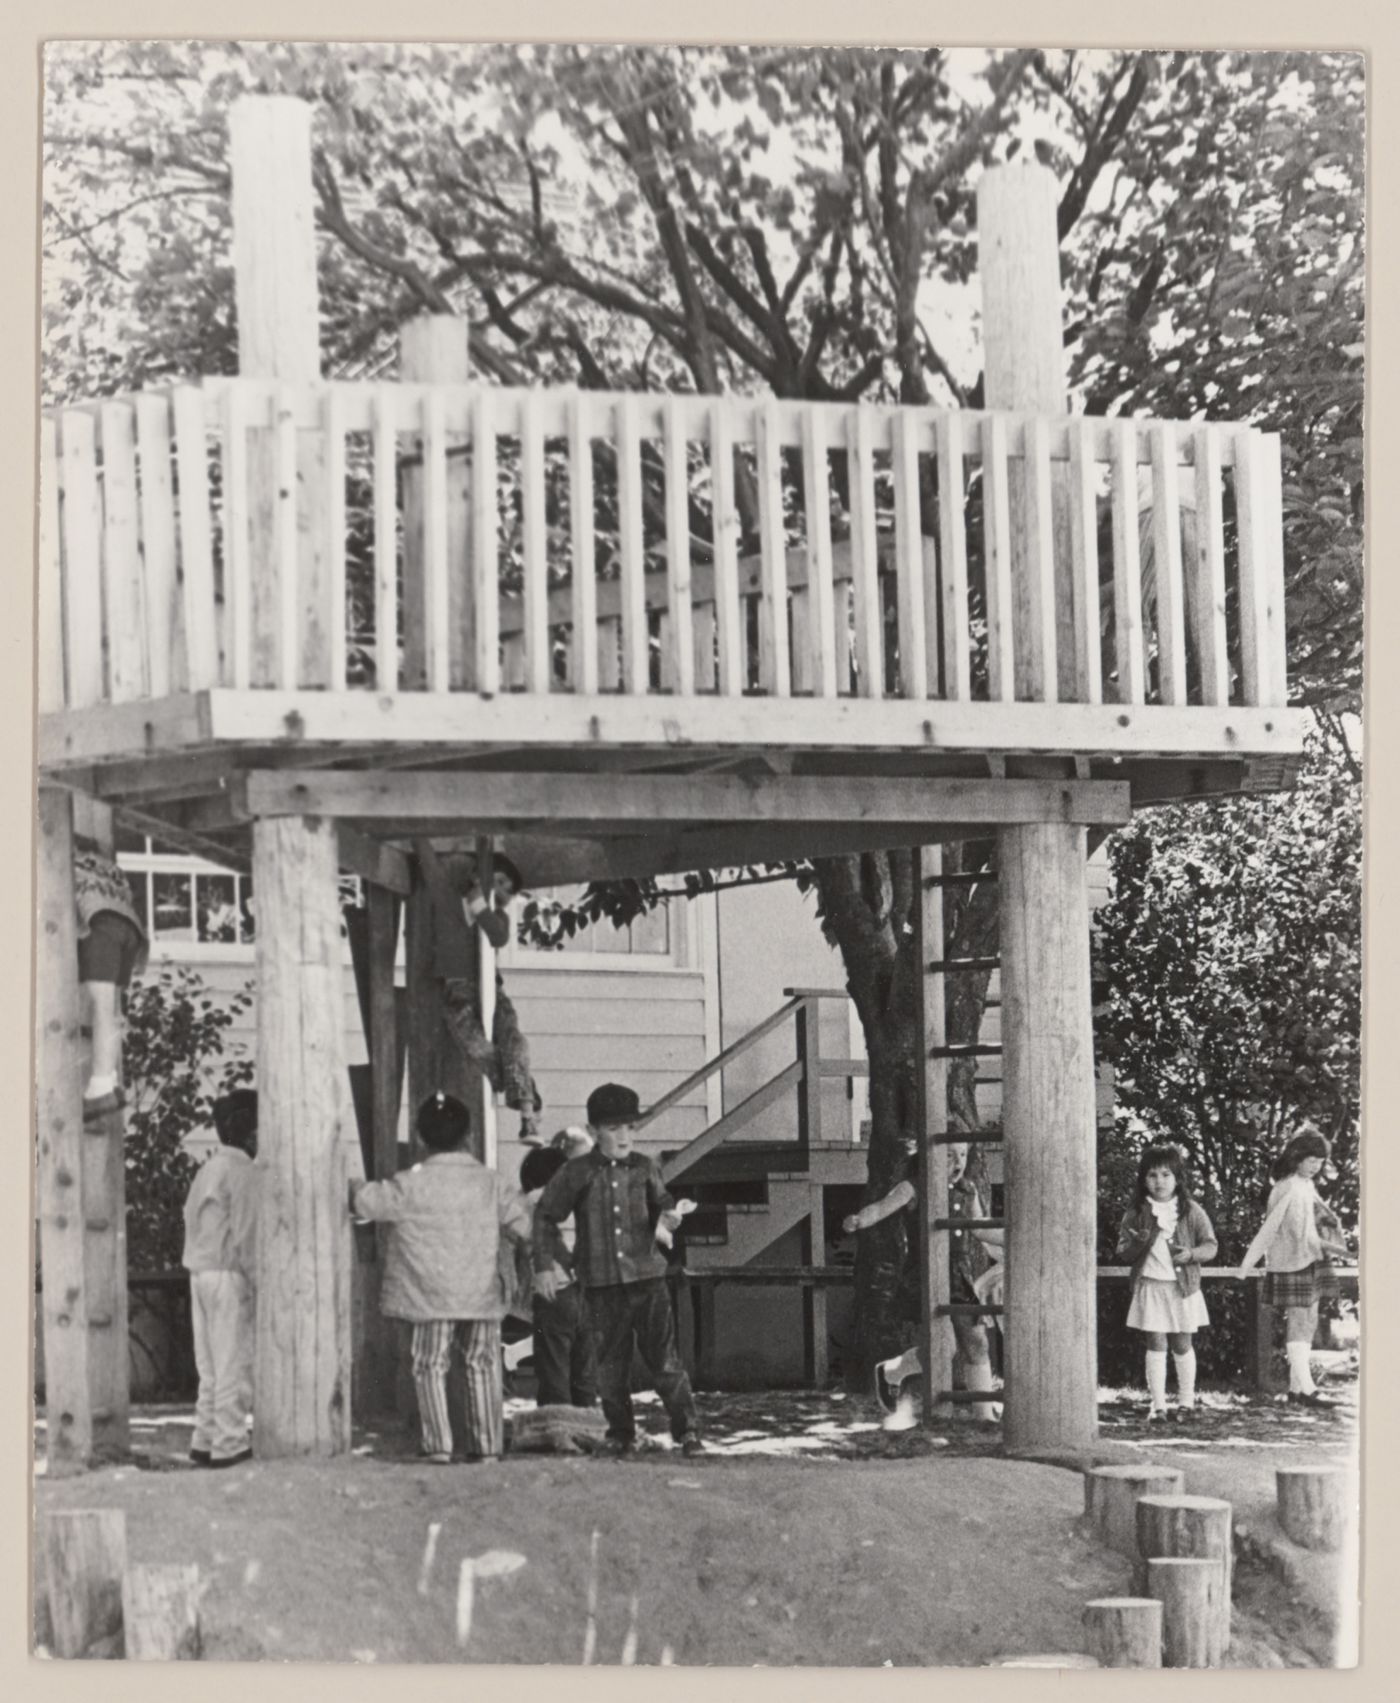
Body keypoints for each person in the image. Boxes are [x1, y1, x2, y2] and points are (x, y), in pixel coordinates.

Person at [351, 1091, 532, 1463]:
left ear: (419, 1138)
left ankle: (438, 1446)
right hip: (480, 1292)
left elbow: (369, 1204)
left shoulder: (410, 1182)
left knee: (430, 1365)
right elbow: (525, 1223)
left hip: (429, 1294)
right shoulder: (490, 1182)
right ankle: (487, 1448)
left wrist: (352, 1187)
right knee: (482, 1365)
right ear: (468, 1136)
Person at [533, 1082, 704, 1457]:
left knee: (666, 1362)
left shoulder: (645, 1168)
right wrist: (544, 1266)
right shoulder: (576, 1173)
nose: (624, 1136)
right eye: (613, 1129)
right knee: (610, 1366)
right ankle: (621, 1434)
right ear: (594, 1132)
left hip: (648, 1282)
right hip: (601, 1285)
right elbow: (545, 1216)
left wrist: (670, 1215)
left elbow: (662, 1200)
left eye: (630, 1127)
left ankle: (688, 1432)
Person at [842, 1138, 1004, 1429]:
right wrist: (859, 1220)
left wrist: (1017, 1235)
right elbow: (881, 1208)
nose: (958, 1162)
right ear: (929, 1158)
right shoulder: (913, 1186)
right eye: (950, 1155)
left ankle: (985, 1414)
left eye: (963, 1155)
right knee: (944, 1347)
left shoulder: (967, 1190)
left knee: (976, 1341)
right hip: (928, 1272)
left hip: (959, 1274)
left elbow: (980, 1227)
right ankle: (892, 1371)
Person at [416, 840, 542, 1143]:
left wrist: (480, 902)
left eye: (508, 890)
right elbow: (430, 869)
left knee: (514, 1039)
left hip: (491, 988)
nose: (501, 891)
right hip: (458, 986)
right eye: (497, 881)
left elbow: (496, 937)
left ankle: (527, 1113)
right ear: (480, 876)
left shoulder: (499, 917)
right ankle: (521, 1094)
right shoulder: (449, 904)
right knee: (475, 1046)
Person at [1239, 1124, 1350, 1408]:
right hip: (1293, 1261)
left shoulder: (1305, 1185)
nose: (1316, 1166)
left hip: (1309, 1258)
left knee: (1309, 1322)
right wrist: (1338, 1249)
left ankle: (1296, 1388)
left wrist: (1333, 1240)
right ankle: (1309, 1391)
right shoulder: (1286, 1187)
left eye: (1320, 1161)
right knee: (1300, 1323)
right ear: (1297, 1156)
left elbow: (1318, 1222)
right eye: (1311, 1160)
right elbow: (1283, 1231)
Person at [1115, 1143, 1218, 1422]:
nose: (1159, 1181)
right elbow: (1123, 1251)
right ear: (1143, 1180)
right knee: (1155, 1343)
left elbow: (1211, 1245)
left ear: (1177, 1178)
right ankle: (1157, 1405)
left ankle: (1186, 1402)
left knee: (1182, 1343)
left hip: (1182, 1288)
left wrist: (1192, 1254)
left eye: (1165, 1175)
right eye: (1152, 1175)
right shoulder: (1136, 1211)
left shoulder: (1190, 1210)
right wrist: (1137, 1243)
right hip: (1151, 1285)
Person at [183, 1088, 259, 1467]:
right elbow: (246, 1234)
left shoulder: (209, 1168)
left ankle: (204, 1437)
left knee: (210, 1366)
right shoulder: (243, 1170)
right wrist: (259, 1279)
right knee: (233, 1361)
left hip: (199, 1271)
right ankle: (229, 1442)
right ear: (252, 1133)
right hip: (228, 1274)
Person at [73, 837, 149, 1119]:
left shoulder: (65, 856)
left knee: (101, 1006)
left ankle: (101, 1085)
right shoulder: (105, 865)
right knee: (114, 1008)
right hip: (130, 928)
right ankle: (112, 1080)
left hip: (101, 921)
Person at [519, 1145, 598, 1409]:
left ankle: (559, 1431)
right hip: (587, 1292)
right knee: (584, 1373)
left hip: (552, 1294)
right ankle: (589, 1428)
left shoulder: (530, 1202)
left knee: (554, 1371)